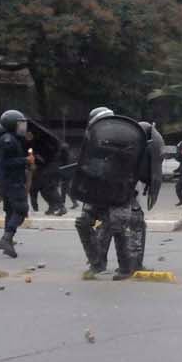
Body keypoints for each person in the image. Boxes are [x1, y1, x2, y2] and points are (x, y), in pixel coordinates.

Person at [71, 110, 148, 279]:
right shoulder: (92, 142)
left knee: (117, 225)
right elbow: (86, 164)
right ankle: (96, 263)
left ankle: (126, 268)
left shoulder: (127, 146)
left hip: (117, 193)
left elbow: (135, 169)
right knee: (82, 222)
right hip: (95, 191)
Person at [0, 110, 30, 258]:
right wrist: (26, 161)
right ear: (11, 125)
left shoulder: (9, 138)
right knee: (21, 209)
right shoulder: (8, 140)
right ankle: (6, 238)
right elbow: (6, 162)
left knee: (10, 210)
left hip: (7, 180)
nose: (22, 128)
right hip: (12, 180)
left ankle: (7, 240)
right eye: (19, 124)